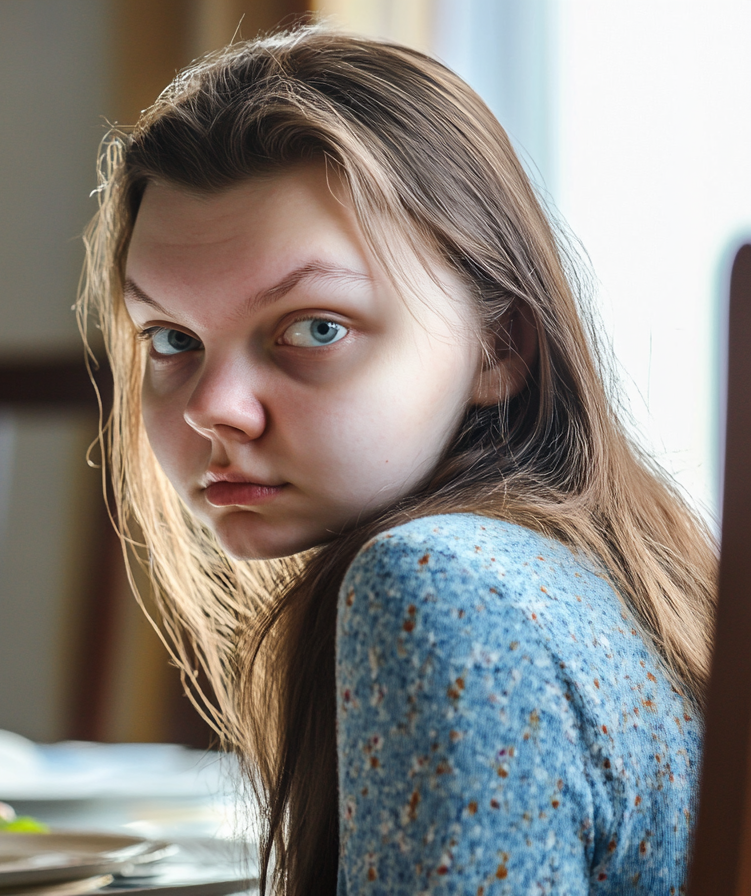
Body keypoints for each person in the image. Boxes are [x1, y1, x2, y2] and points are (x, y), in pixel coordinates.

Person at [77, 26, 715, 895]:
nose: (210, 407)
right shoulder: (577, 569)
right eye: (172, 337)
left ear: (498, 348)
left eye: (316, 328)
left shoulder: (443, 587)